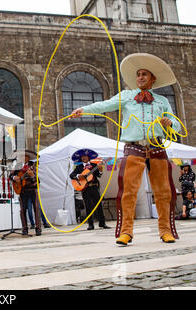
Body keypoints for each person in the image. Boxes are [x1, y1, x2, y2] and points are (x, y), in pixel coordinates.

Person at [71, 53, 181, 245]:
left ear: (152, 78)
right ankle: (126, 232)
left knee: (163, 191)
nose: (140, 77)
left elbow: (178, 126)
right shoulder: (127, 96)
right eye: (138, 74)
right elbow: (104, 105)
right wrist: (84, 110)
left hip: (156, 147)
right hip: (134, 148)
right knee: (128, 191)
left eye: (144, 74)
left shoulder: (162, 101)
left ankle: (166, 230)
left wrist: (169, 123)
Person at [70, 149, 110, 230]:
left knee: (98, 205)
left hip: (94, 187)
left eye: (85, 156)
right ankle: (90, 224)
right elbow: (71, 175)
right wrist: (78, 176)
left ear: (88, 157)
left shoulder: (94, 165)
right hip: (85, 189)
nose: (83, 158)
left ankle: (102, 223)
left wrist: (101, 170)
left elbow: (98, 175)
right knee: (88, 206)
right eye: (82, 157)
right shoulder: (79, 167)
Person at [10, 151, 43, 236]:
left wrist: (32, 176)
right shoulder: (17, 166)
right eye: (22, 156)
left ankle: (38, 228)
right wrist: (15, 178)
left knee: (36, 208)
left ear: (28, 158)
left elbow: (37, 180)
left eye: (25, 156)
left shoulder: (33, 165)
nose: (23, 158)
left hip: (33, 190)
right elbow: (10, 176)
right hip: (22, 190)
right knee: (22, 210)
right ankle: (24, 229)